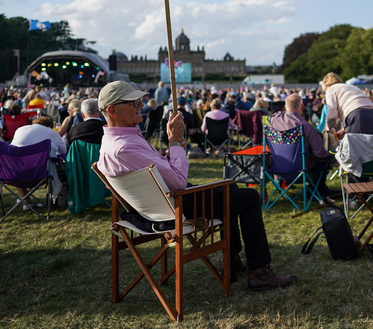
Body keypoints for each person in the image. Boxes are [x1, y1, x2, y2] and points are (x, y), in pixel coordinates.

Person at [95, 81, 296, 290]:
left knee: (233, 191)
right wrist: (175, 141)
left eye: (140, 100)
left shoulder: (114, 142)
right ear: (112, 110)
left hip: (160, 201)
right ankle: (260, 273)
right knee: (249, 197)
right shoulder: (124, 147)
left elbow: (157, 169)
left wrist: (172, 153)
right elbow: (179, 182)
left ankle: (233, 259)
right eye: (133, 101)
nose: (140, 105)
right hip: (175, 206)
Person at [269, 94, 339, 204]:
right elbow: (320, 153)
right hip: (301, 172)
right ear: (302, 107)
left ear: (285, 107)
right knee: (324, 161)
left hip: (277, 170)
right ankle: (314, 191)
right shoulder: (306, 126)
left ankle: (318, 191)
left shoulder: (273, 120)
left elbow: (276, 114)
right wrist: (332, 156)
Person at [11, 115, 67, 208]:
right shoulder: (51, 132)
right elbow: (63, 151)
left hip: (14, 173)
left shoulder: (20, 130)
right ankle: (26, 198)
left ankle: (26, 199)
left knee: (22, 163)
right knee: (39, 164)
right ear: (49, 126)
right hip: (41, 173)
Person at [321, 72, 373, 139]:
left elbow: (332, 115)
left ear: (327, 86)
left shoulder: (330, 89)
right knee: (372, 147)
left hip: (358, 115)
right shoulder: (350, 87)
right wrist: (344, 129)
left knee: (356, 147)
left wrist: (328, 128)